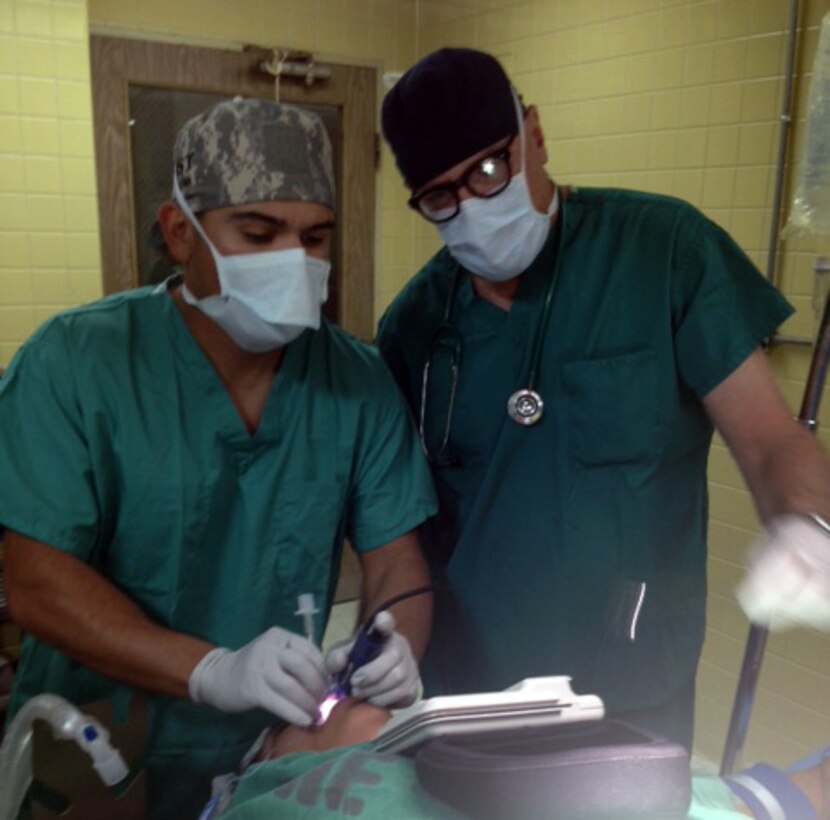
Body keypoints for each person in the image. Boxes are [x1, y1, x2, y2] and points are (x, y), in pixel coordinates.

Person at [375, 47, 830, 751]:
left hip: (629, 686)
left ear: (532, 133)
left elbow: (770, 440)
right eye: (440, 196)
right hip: (467, 694)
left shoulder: (663, 254)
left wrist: (809, 526)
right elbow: (400, 531)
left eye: (488, 171)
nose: (471, 207)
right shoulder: (412, 328)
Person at [0, 98, 437, 817]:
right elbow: (36, 581)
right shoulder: (76, 363)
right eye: (260, 232)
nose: (293, 261)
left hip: (270, 745)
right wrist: (212, 670)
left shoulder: (355, 382)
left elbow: (397, 563)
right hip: (98, 746)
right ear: (180, 232)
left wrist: (395, 648)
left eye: (315, 236)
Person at [212, 699, 830, 819]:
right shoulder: (267, 794)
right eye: (309, 713)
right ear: (267, 758)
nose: (338, 697)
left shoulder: (406, 761)